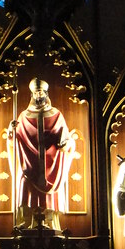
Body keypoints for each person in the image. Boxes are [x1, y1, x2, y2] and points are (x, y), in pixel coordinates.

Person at [9, 77, 75, 230]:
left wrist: (66, 144)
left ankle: (50, 222)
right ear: (32, 95)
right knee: (25, 184)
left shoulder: (56, 114)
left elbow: (66, 138)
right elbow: (15, 140)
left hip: (51, 164)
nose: (38, 95)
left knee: (49, 192)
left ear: (46, 93)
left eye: (41, 92)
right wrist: (11, 130)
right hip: (30, 164)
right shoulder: (24, 116)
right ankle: (29, 221)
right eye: (36, 93)